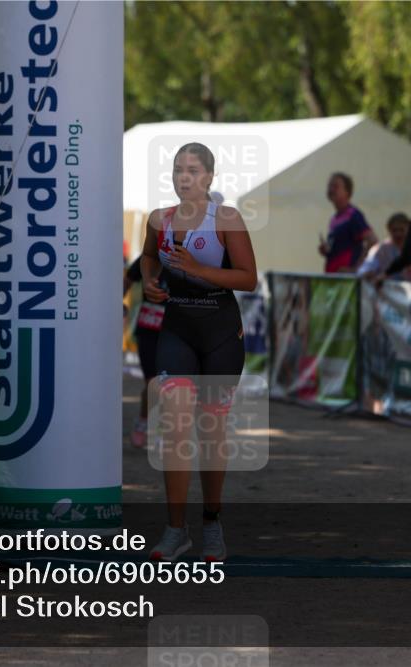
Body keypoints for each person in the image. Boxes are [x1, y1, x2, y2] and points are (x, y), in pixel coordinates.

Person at [139, 142, 258, 562]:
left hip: (221, 333)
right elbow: (148, 259)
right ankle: (175, 530)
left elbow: (248, 278)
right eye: (177, 170)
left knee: (211, 434)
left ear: (209, 176)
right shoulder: (160, 219)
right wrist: (150, 282)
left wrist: (196, 269)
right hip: (178, 329)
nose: (184, 177)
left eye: (192, 170)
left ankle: (211, 523)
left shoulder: (225, 219)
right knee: (174, 425)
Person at [123, 254, 165, 448]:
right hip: (148, 328)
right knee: (153, 384)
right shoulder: (151, 255)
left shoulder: (192, 254)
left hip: (176, 331)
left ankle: (164, 429)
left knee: (172, 385)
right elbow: (128, 279)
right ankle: (142, 422)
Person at [317, 172, 376, 273]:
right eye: (329, 186)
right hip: (333, 278)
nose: (331, 190)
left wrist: (357, 269)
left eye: (335, 186)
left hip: (347, 282)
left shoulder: (353, 215)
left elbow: (373, 242)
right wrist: (326, 251)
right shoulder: (334, 219)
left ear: (347, 192)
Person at [357, 212, 411, 281]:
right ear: (389, 229)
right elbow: (364, 270)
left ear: (409, 229)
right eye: (395, 230)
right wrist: (368, 273)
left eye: (401, 230)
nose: (398, 234)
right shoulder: (380, 249)